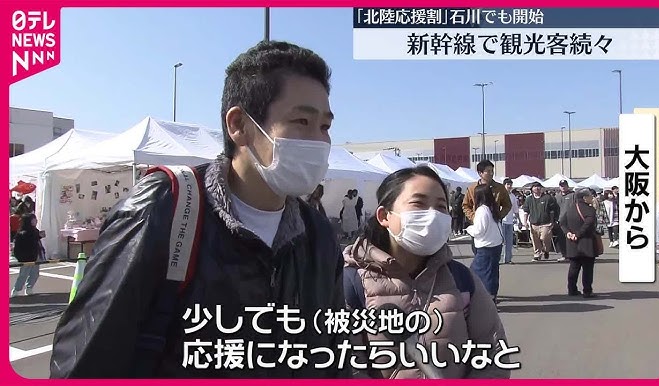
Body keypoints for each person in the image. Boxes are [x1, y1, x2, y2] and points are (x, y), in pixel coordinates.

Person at [50, 40, 350, 378]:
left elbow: (332, 354)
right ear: (239, 125)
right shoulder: (164, 208)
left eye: (325, 126)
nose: (320, 142)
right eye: (301, 121)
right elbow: (87, 359)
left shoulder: (317, 235)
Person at [342, 166, 510, 379]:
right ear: (384, 216)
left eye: (441, 207)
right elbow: (345, 368)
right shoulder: (351, 283)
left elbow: (494, 356)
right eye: (418, 203)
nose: (432, 215)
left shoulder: (462, 280)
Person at [466, 184, 506, 303]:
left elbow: (479, 230)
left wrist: (469, 229)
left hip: (486, 246)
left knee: (477, 274)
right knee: (492, 273)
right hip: (496, 244)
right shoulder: (492, 207)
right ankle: (492, 297)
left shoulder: (482, 210)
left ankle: (486, 300)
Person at [559, 189, 600, 298]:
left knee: (574, 267)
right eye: (590, 196)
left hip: (572, 243)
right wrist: (578, 234)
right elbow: (589, 224)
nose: (592, 198)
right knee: (587, 268)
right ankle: (587, 290)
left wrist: (568, 233)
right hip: (586, 242)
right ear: (584, 198)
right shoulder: (590, 210)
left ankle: (571, 289)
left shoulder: (570, 209)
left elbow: (562, 223)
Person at [522, 182, 559, 261]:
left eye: (539, 187)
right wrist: (525, 222)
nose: (537, 188)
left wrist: (552, 221)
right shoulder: (529, 199)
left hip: (546, 223)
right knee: (535, 240)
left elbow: (552, 211)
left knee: (545, 238)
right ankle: (537, 254)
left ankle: (546, 250)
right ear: (532, 189)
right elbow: (526, 211)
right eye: (535, 187)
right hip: (533, 223)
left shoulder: (548, 198)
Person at [11, 213, 44, 297]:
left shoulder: (34, 230)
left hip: (35, 255)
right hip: (26, 257)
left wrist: (39, 236)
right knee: (23, 274)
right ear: (28, 221)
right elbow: (26, 243)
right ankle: (16, 290)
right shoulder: (22, 233)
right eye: (33, 219)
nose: (35, 221)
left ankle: (29, 288)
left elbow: (34, 240)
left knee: (35, 273)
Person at [554, 180, 574, 262]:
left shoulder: (573, 195)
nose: (563, 187)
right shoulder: (556, 197)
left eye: (564, 185)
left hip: (571, 220)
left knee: (571, 239)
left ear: (567, 186)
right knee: (561, 239)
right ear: (559, 187)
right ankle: (564, 255)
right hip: (560, 221)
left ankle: (572, 255)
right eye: (561, 185)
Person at [501, 179, 518, 264]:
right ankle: (499, 259)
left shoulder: (513, 196)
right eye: (508, 184)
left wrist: (519, 220)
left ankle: (508, 259)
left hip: (510, 222)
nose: (509, 186)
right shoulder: (500, 195)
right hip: (501, 221)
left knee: (509, 241)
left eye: (510, 184)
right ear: (504, 185)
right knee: (501, 241)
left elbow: (515, 209)